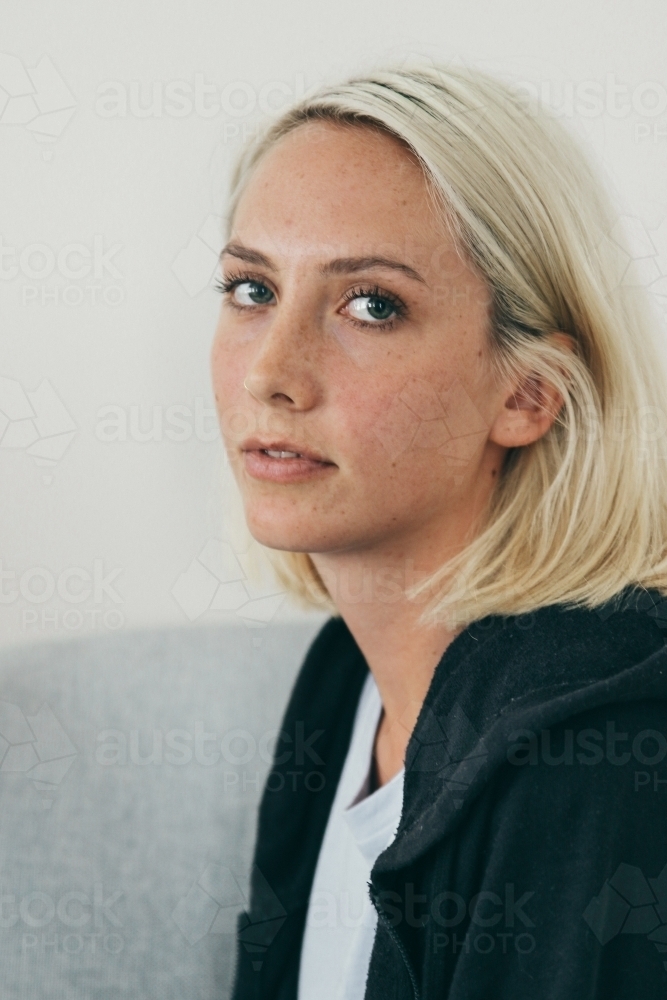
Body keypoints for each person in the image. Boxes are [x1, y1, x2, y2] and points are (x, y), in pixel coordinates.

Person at [210, 64, 667, 1000]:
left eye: (370, 304)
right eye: (251, 288)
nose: (272, 371)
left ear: (528, 393)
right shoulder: (344, 680)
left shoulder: (590, 759)